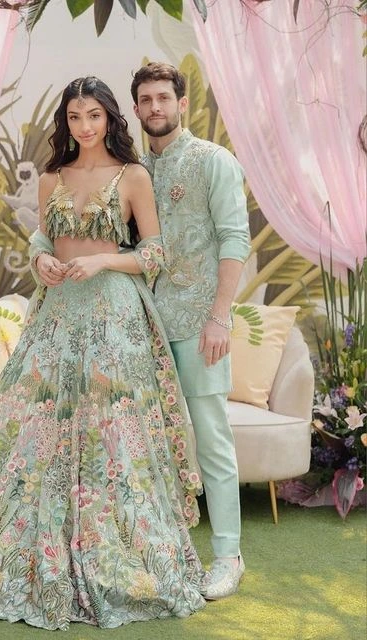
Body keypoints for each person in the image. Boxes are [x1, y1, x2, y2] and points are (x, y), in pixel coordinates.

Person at [0, 76, 208, 631]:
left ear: (110, 118)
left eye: (94, 116)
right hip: (56, 312)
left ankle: (114, 555)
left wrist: (103, 260)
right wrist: (41, 262)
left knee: (111, 432)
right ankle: (22, 548)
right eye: (75, 117)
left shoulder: (133, 176)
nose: (85, 126)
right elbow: (42, 240)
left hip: (113, 314)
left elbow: (155, 253)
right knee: (30, 424)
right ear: (66, 122)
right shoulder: (52, 176)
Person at [131, 62, 251, 600]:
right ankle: (158, 553)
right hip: (140, 326)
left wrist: (219, 316)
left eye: (163, 98)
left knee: (212, 442)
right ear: (136, 109)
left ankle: (227, 557)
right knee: (145, 443)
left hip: (200, 326)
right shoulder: (133, 170)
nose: (155, 107)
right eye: (146, 100)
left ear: (182, 103)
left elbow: (234, 239)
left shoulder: (212, 161)